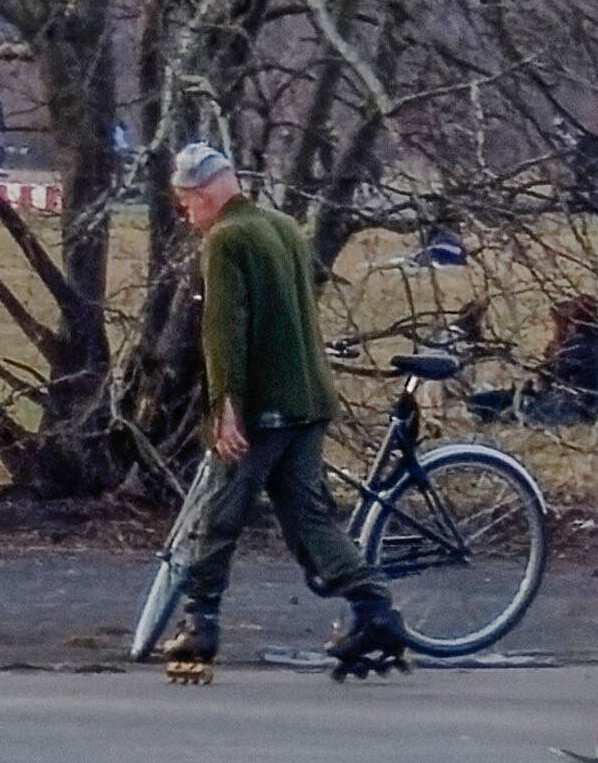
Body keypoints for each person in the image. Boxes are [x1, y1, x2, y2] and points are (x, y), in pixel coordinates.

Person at [147, 147, 418, 682]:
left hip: (266, 406)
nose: (186, 215)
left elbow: (224, 332)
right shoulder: (282, 226)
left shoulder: (225, 240)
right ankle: (374, 611)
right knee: (308, 518)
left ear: (202, 193)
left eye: (185, 203)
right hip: (309, 398)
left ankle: (199, 625)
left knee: (218, 512)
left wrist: (226, 410)